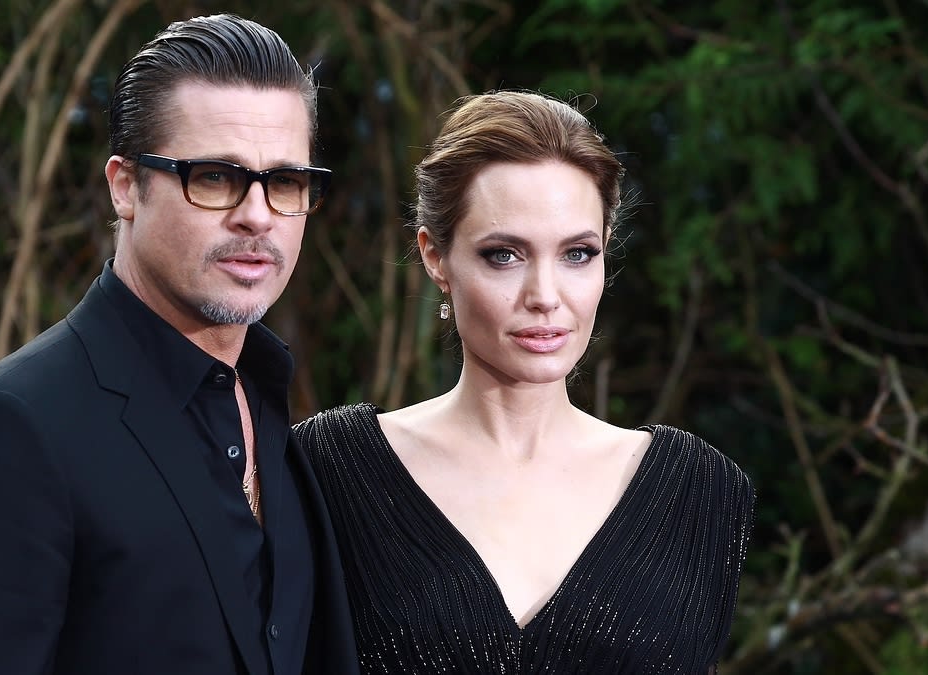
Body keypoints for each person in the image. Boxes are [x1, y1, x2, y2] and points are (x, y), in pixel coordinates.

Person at [0, 14, 358, 675]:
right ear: (125, 185)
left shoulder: (284, 419)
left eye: (283, 182)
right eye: (215, 176)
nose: (256, 214)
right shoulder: (4, 433)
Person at [295, 91, 755, 673]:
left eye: (578, 254)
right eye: (504, 255)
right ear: (435, 256)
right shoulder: (329, 470)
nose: (544, 296)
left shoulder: (701, 494)